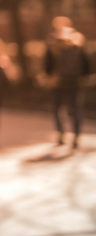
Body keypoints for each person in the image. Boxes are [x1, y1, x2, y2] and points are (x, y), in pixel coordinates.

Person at [44, 16, 90, 149]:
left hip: (57, 82)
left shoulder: (52, 43)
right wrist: (83, 77)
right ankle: (76, 136)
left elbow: (48, 66)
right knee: (75, 110)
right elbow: (86, 64)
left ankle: (61, 134)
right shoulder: (77, 42)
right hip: (75, 82)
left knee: (57, 110)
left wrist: (48, 77)